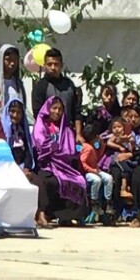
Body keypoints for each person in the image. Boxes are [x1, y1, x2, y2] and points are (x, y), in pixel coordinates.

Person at [32, 94, 89, 226]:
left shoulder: (66, 128)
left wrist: (57, 150)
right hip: (46, 164)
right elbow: (41, 145)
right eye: (54, 108)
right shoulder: (41, 124)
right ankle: (45, 213)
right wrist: (56, 148)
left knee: (78, 180)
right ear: (48, 109)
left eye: (60, 109)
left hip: (64, 165)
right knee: (48, 181)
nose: (57, 112)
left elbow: (69, 150)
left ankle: (67, 216)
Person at [31, 48, 82, 139]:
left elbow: (77, 111)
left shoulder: (69, 85)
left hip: (68, 133)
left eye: (56, 64)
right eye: (49, 64)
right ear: (44, 65)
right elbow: (38, 115)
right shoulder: (40, 87)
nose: (53, 68)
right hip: (48, 135)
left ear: (61, 65)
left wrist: (78, 134)